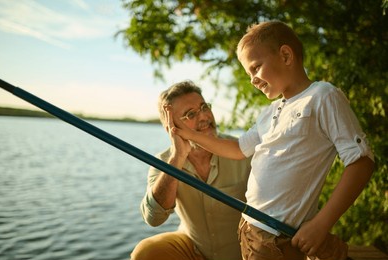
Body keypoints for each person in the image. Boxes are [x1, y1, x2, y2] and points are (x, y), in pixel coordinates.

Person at [169, 21, 375, 260]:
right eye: (248, 74)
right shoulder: (269, 112)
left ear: (286, 55)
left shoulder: (322, 96)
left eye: (255, 68)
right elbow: (237, 148)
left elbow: (362, 162)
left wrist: (321, 224)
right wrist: (187, 134)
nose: (252, 80)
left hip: (278, 238)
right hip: (249, 230)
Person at [130, 80, 252, 260]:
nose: (204, 117)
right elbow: (153, 218)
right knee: (146, 252)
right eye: (191, 114)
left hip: (247, 252)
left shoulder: (242, 150)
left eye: (204, 107)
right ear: (171, 128)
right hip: (195, 252)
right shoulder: (164, 162)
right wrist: (178, 158)